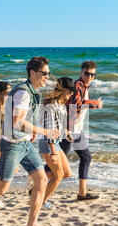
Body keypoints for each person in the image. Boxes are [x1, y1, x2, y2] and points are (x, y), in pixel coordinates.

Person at [0, 56, 59, 226]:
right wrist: (44, 132)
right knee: (0, 189)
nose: (47, 77)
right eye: (44, 73)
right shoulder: (23, 93)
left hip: (25, 144)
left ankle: (31, 223)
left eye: (49, 73)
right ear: (33, 73)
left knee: (41, 180)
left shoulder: (32, 91)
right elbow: (17, 122)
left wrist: (32, 131)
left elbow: (24, 120)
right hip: (12, 145)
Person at [43, 61, 103, 201]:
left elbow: (78, 106)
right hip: (70, 130)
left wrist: (92, 105)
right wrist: (94, 103)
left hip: (74, 129)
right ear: (81, 72)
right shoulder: (78, 85)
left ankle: (81, 193)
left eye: (93, 75)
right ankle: (38, 183)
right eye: (87, 73)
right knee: (64, 159)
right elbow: (73, 106)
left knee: (65, 158)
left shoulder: (84, 87)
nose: (90, 77)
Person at [36, 77, 74, 209]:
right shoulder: (51, 106)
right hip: (48, 144)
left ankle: (39, 183)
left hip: (55, 142)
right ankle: (42, 201)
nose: (71, 95)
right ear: (64, 90)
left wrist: (66, 133)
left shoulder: (61, 105)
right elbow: (50, 130)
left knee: (67, 173)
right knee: (58, 175)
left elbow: (58, 126)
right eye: (70, 92)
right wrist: (53, 151)